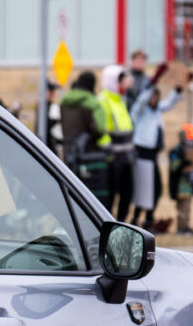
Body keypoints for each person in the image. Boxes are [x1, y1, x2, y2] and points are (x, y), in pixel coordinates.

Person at [130, 65, 181, 232]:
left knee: (155, 188)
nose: (154, 100)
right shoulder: (140, 111)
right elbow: (142, 99)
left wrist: (178, 89)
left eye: (156, 97)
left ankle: (147, 218)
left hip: (152, 154)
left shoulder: (156, 111)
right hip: (142, 152)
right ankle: (139, 218)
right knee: (144, 188)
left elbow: (169, 103)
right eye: (152, 97)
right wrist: (154, 81)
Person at [60, 72, 108, 202]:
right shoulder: (92, 103)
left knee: (73, 193)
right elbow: (99, 129)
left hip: (69, 153)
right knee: (90, 197)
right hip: (88, 157)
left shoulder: (64, 101)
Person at [98, 65, 136, 222]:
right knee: (112, 195)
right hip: (114, 158)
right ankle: (108, 223)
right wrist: (109, 152)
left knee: (127, 193)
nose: (123, 84)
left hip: (127, 157)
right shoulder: (103, 100)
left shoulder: (120, 99)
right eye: (120, 80)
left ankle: (121, 223)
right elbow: (102, 131)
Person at [168, 124, 193, 236]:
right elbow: (174, 168)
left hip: (191, 186)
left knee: (188, 208)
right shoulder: (176, 151)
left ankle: (186, 226)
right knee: (183, 209)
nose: (192, 144)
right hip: (181, 186)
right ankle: (181, 228)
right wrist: (183, 163)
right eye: (190, 141)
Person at [35, 81, 62, 155]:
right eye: (50, 91)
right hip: (46, 147)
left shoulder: (48, 106)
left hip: (49, 147)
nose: (53, 94)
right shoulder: (45, 107)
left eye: (53, 91)